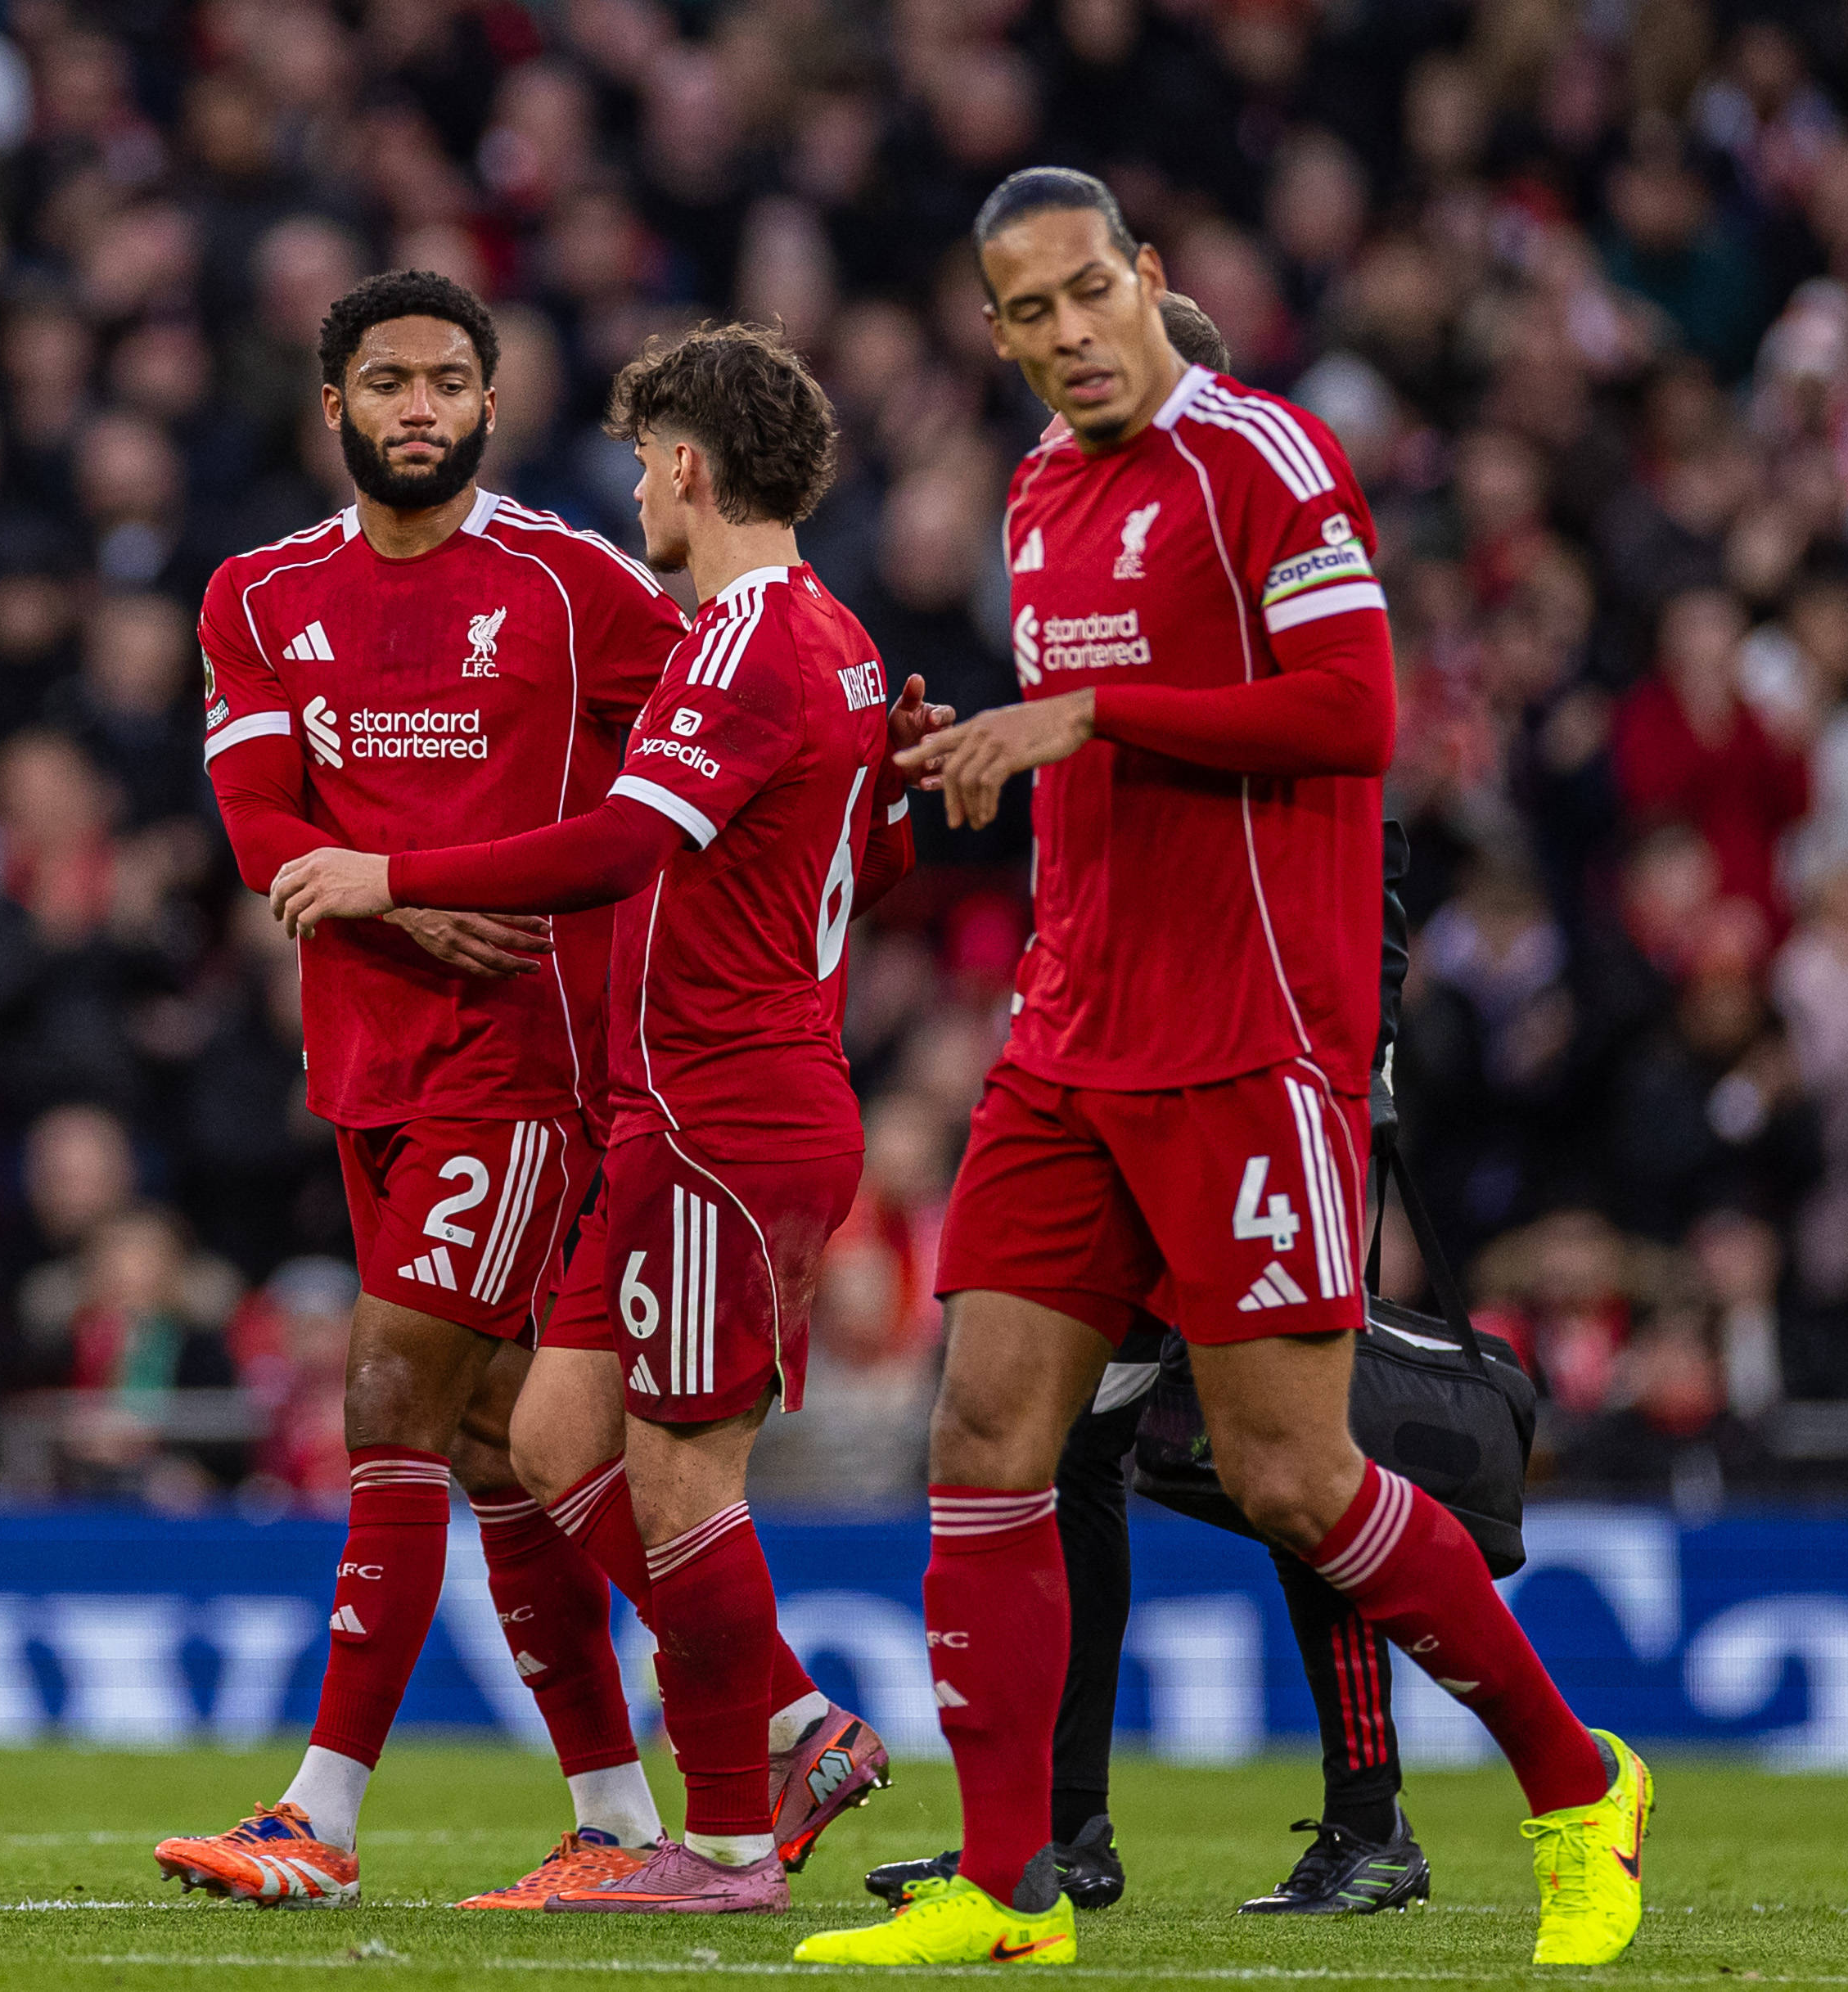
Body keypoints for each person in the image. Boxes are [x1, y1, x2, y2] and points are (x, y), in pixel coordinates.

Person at [794, 169, 1652, 1970]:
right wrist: (986, 750)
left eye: (1088, 290)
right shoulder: (1038, 488)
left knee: (1290, 1475)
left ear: (1147, 277)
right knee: (986, 1438)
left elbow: (1353, 713)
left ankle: (1579, 1789)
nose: (1067, 332)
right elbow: (1095, 756)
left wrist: (1089, 711)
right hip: (1068, 1032)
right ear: (994, 333)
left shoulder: (1263, 455)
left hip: (1248, 1040)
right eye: (1028, 311)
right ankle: (1011, 1888)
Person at [158, 273, 885, 1911]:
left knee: (389, 1395)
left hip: (533, 1062)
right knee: (508, 1442)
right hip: (366, 1059)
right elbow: (263, 824)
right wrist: (394, 903)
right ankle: (657, 1789)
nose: (418, 406)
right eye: (387, 381)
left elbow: (712, 774)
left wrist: (403, 881)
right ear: (334, 407)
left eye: (447, 381)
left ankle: (319, 1811)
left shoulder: (578, 584)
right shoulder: (256, 593)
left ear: (490, 404)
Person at [861, 298, 1435, 1923]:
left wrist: (1348, 1081)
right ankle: (1060, 1829)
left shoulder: (1267, 607)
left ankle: (1372, 1813)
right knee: (1068, 1451)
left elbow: (1349, 853)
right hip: (1108, 1086)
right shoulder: (1094, 626)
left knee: (1292, 1467)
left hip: (1256, 1088)